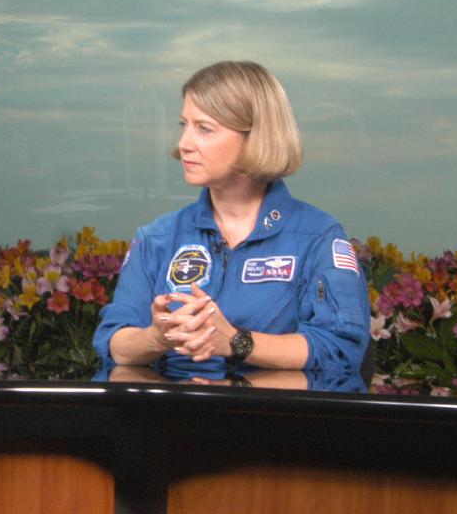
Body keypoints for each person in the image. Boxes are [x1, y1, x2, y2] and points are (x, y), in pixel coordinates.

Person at [92, 61, 369, 375]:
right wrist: (156, 338)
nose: (184, 144)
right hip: (171, 419)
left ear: (255, 136)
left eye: (204, 128)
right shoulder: (158, 237)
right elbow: (113, 341)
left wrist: (237, 342)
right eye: (184, 125)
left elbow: (341, 350)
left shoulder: (318, 237)